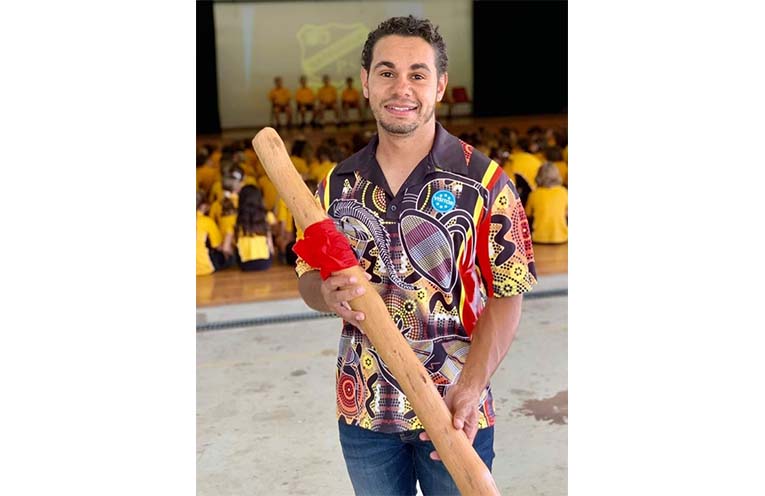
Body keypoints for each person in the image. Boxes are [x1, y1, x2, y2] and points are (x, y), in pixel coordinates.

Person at [293, 15, 537, 495]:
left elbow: (509, 294)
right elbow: (307, 277)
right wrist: (324, 292)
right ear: (366, 83)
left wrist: (470, 388)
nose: (401, 87)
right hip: (364, 410)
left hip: (454, 409)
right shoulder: (336, 186)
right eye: (386, 72)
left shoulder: (486, 183)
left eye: (417, 74)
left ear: (440, 85)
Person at [234, 185, 276, 271]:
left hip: (245, 264)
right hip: (265, 263)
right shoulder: (266, 215)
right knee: (267, 231)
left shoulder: (237, 218)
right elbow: (272, 234)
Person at [525, 162, 568, 244]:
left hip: (538, 238)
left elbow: (528, 214)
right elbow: (566, 214)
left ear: (538, 176)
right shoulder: (564, 192)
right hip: (561, 238)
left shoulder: (534, 194)